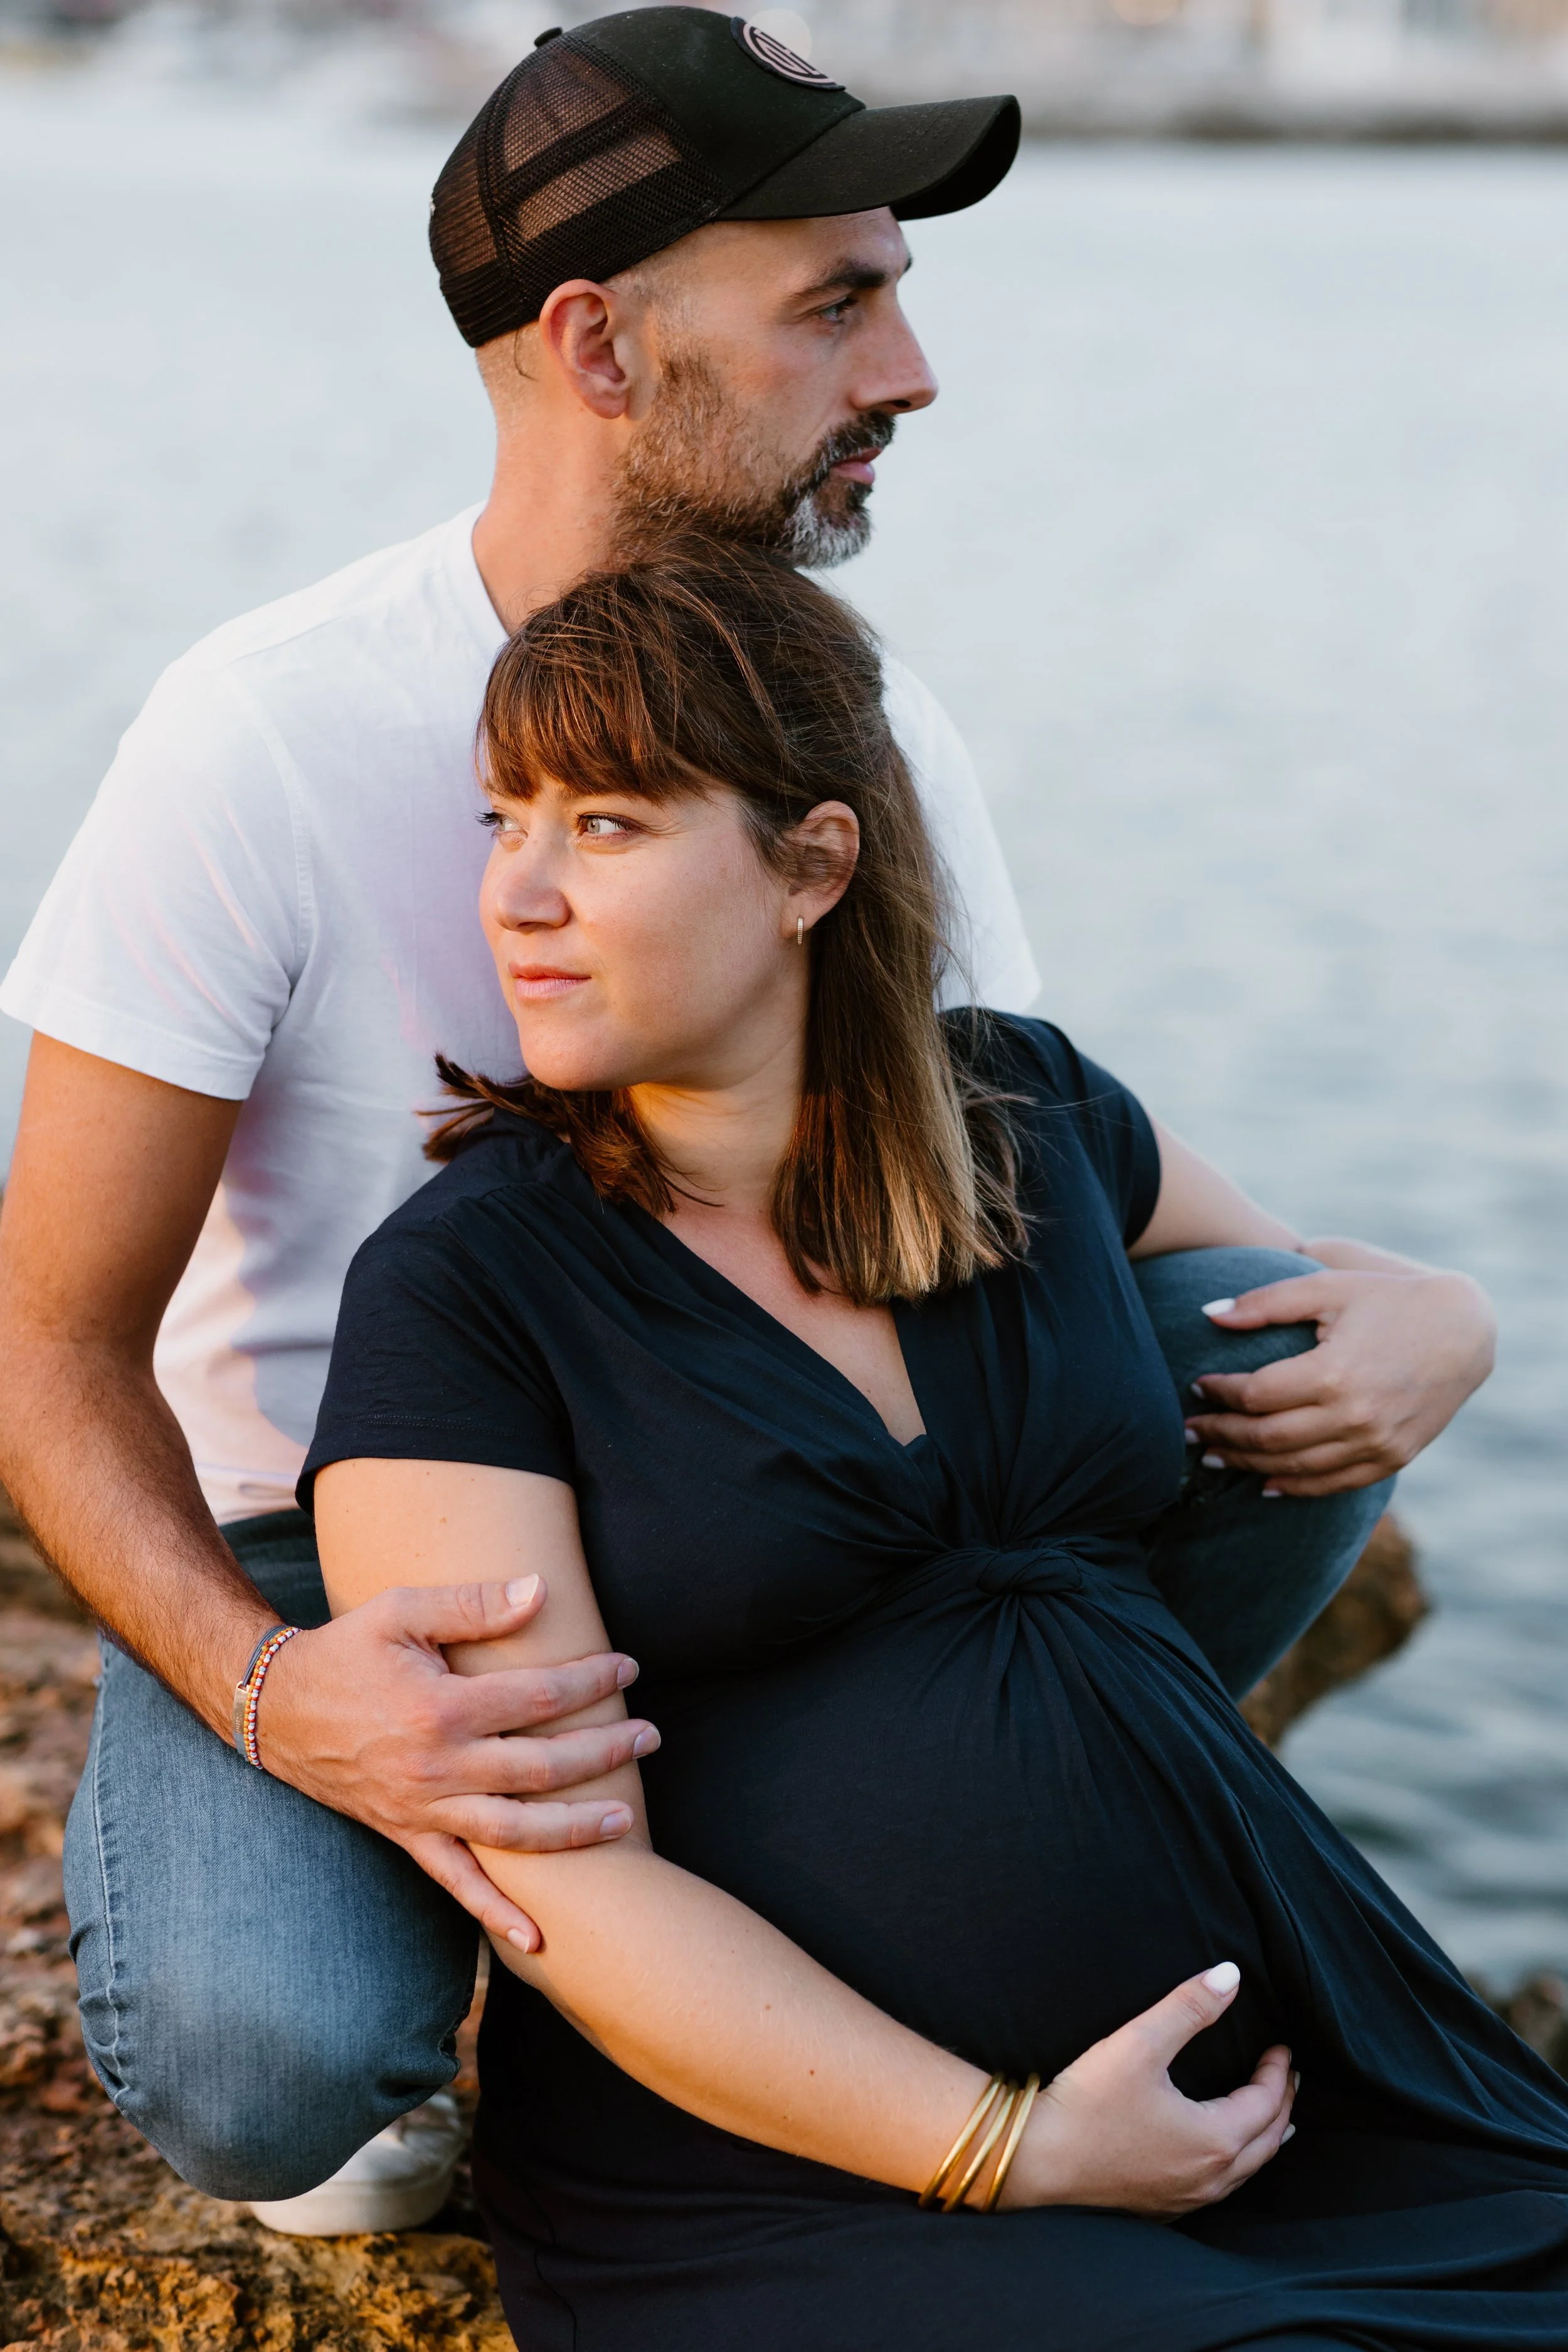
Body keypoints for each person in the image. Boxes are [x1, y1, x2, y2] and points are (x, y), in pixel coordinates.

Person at [0, 9, 1493, 2230]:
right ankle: (686, 1956)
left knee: (1259, 1324)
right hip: (359, 1552)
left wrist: (1423, 1313)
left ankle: (942, 1876)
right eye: (837, 301)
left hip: (781, 1472)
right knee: (274, 2065)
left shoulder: (860, 732)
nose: (907, 371)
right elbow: (44, 1343)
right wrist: (268, 1688)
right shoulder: (262, 736)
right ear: (599, 346)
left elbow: (1028, 1183)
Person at [304, 541, 1567, 2351]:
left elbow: (1311, 1292)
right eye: (508, 816)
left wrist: (1457, 1311)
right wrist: (1007, 2142)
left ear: (813, 861)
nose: (517, 891)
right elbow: (558, 1871)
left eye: (607, 824)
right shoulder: (469, 1286)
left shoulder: (1028, 1115)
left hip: (1301, 2065)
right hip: (807, 2175)